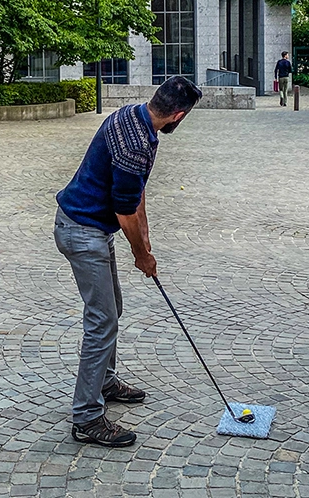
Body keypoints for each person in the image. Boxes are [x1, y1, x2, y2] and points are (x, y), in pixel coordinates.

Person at [53, 76, 202, 447]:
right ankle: (87, 417)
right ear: (178, 115)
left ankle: (104, 380)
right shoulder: (138, 144)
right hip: (82, 231)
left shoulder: (131, 116)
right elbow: (124, 210)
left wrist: (146, 244)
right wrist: (141, 254)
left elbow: (134, 193)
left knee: (112, 308)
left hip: (91, 229)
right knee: (102, 321)